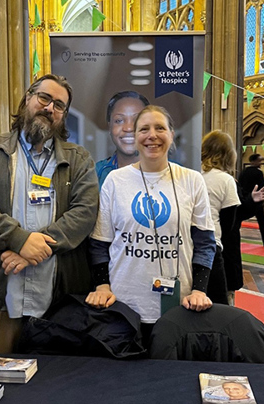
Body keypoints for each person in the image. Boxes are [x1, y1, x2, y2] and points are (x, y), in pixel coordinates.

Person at [0, 74, 99, 353]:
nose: (49, 108)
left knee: (52, 388)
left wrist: (33, 247)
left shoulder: (78, 159)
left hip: (57, 300)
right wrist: (19, 239)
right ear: (27, 99)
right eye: (44, 98)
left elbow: (84, 212)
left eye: (59, 105)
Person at [86, 105, 216, 348]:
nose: (152, 135)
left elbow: (205, 242)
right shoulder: (115, 181)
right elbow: (100, 241)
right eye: (144, 129)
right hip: (124, 305)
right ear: (134, 138)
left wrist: (199, 290)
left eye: (160, 128)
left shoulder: (192, 180)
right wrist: (102, 284)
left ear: (171, 134)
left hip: (178, 305)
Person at [201, 130, 241, 305]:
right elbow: (229, 224)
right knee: (220, 302)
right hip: (213, 244)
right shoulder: (225, 180)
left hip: (189, 242)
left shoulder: (191, 173)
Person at [222, 183, 264, 305]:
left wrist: (251, 201)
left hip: (227, 241)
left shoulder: (230, 182)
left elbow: (239, 212)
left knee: (226, 285)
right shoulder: (227, 181)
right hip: (224, 241)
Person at [95, 90, 149, 188]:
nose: (128, 128)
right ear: (110, 127)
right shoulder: (95, 174)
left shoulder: (173, 173)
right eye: (119, 121)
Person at [238, 153, 264, 247]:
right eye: (259, 160)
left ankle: (235, 236)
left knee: (239, 218)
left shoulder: (244, 171)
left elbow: (240, 184)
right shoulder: (258, 173)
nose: (260, 163)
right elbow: (262, 186)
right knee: (261, 220)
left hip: (245, 199)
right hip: (256, 199)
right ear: (254, 161)